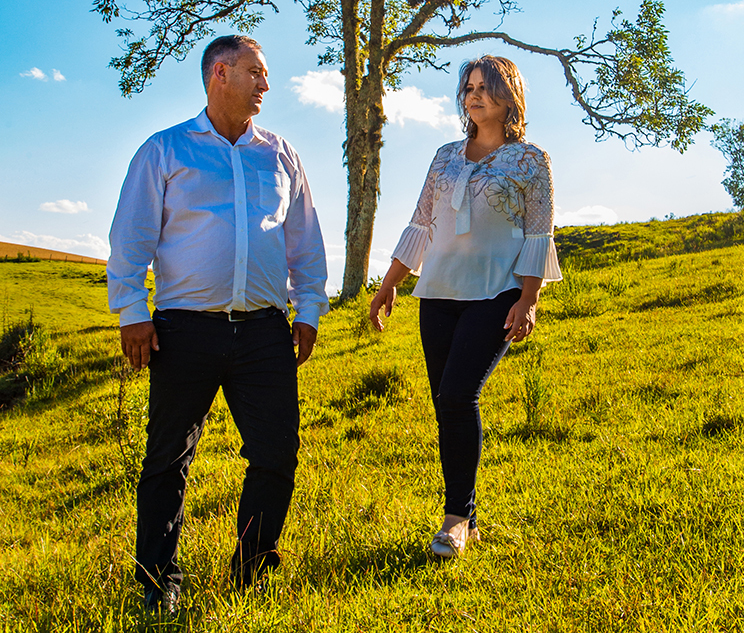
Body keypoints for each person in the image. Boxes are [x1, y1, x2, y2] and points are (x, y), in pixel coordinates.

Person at [107, 35, 328, 614]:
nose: (266, 84)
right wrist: (133, 313)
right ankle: (159, 583)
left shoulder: (281, 155)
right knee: (167, 460)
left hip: (264, 331)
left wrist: (307, 310)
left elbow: (304, 241)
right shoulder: (165, 150)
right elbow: (131, 239)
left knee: (278, 453)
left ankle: (251, 568)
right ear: (219, 75)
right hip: (184, 330)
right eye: (256, 72)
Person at [369, 55, 561, 558]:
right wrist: (389, 283)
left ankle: (454, 520)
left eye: (485, 87)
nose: (474, 95)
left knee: (458, 394)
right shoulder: (444, 156)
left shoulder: (530, 161)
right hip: (437, 293)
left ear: (509, 96)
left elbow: (540, 233)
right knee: (446, 405)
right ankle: (468, 518)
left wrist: (529, 297)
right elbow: (421, 224)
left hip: (496, 292)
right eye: (469, 87)